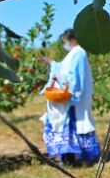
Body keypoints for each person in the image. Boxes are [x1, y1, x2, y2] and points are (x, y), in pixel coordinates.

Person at [41, 29, 100, 165]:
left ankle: (72, 157)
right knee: (69, 125)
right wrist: (51, 63)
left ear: (72, 40)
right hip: (70, 96)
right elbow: (63, 69)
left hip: (73, 97)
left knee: (72, 125)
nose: (65, 45)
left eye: (65, 42)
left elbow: (75, 75)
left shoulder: (79, 53)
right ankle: (69, 157)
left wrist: (73, 93)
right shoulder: (74, 54)